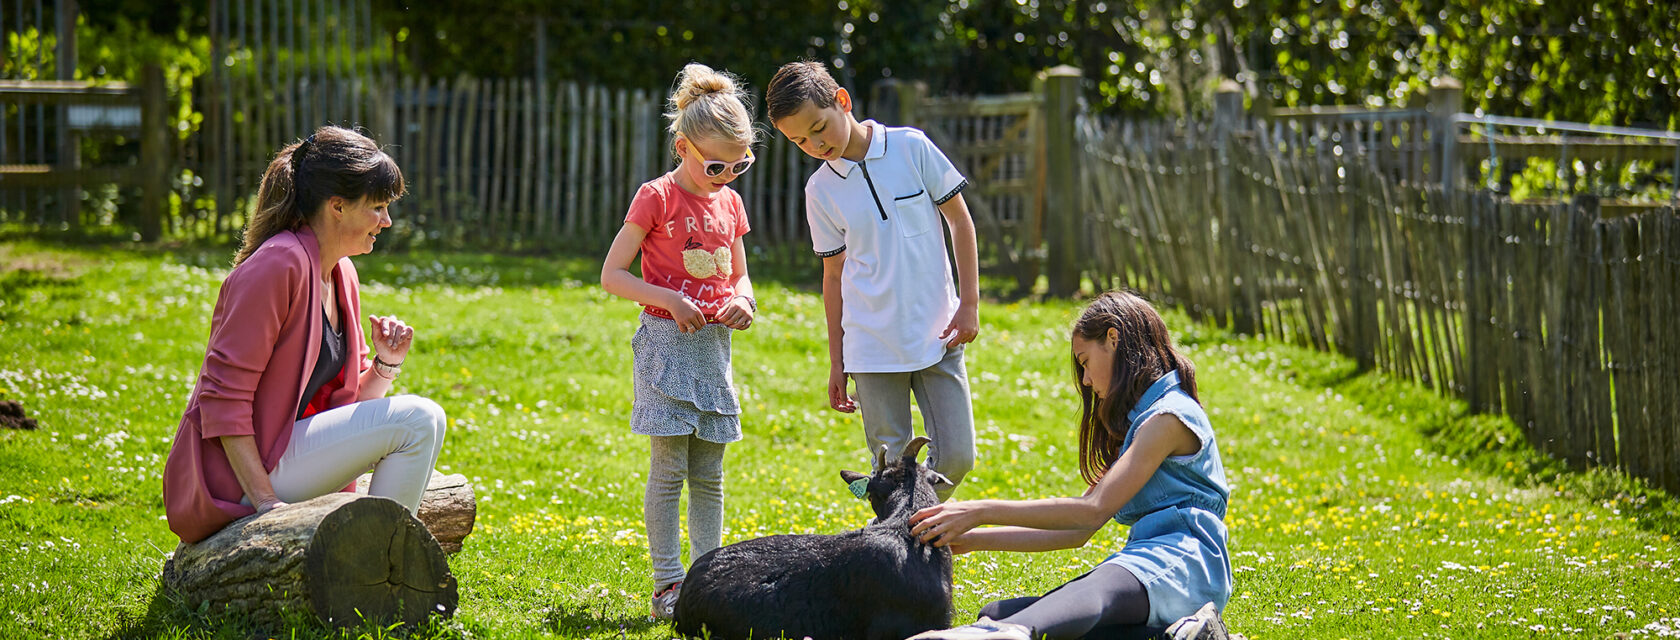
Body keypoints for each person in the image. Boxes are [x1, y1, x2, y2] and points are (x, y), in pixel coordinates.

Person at [162, 126, 448, 545]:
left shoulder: (341, 273)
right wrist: (267, 505)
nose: (386, 221)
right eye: (378, 208)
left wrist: (385, 365)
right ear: (337, 206)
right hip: (243, 482)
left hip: (289, 460)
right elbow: (222, 400)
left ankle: (375, 559)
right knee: (418, 419)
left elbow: (348, 410)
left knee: (430, 419)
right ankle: (376, 561)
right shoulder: (277, 265)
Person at [906, 290, 1234, 640]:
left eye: (1084, 361)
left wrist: (980, 510)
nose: (1087, 380)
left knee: (1031, 618)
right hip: (1149, 564)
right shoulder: (1140, 423)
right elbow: (1077, 531)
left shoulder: (1167, 418)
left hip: (1184, 563)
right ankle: (1187, 635)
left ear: (1112, 338)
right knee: (996, 613)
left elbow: (1091, 511)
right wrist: (972, 538)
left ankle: (1002, 634)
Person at [765, 60, 980, 502]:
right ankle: (903, 561)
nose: (814, 143)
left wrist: (970, 303)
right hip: (871, 347)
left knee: (958, 455)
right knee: (890, 467)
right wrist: (837, 359)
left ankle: (911, 533)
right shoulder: (819, 191)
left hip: (938, 333)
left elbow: (959, 221)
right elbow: (833, 275)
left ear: (842, 100)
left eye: (819, 128)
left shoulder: (911, 147)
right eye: (798, 140)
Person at [600, 62, 758, 621]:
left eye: (740, 164)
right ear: (682, 146)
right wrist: (669, 300)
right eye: (717, 164)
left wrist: (744, 300)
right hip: (667, 347)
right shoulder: (657, 198)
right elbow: (612, 274)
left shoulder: (730, 203)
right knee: (669, 473)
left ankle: (708, 581)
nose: (727, 175)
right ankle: (669, 583)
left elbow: (739, 274)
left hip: (714, 350)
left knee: (709, 474)